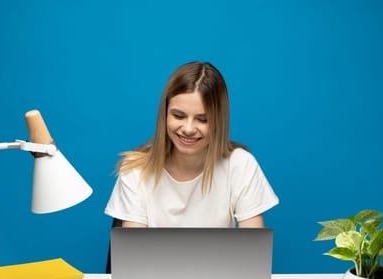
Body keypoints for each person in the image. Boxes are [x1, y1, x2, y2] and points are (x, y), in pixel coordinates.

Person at [105, 61, 278, 228]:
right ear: (164, 115)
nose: (188, 129)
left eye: (202, 120)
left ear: (219, 121)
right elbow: (133, 254)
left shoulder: (240, 165)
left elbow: (251, 253)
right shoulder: (135, 170)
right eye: (178, 116)